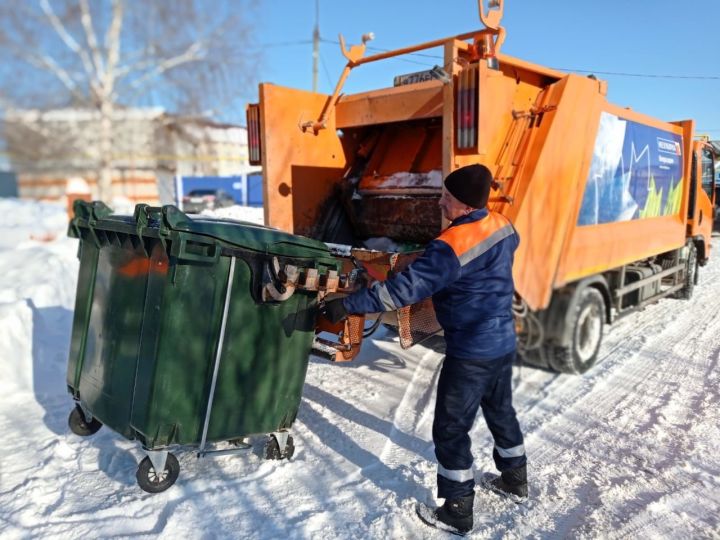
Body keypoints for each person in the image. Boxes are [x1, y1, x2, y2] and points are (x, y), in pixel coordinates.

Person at [321, 164, 527, 535]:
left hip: (472, 350)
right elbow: (491, 256)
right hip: (502, 340)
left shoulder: (451, 246)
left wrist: (347, 305)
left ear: (462, 204)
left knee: (450, 427)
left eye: (446, 196)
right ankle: (516, 477)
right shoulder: (502, 224)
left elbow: (402, 292)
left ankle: (457, 508)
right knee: (500, 409)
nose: (439, 200)